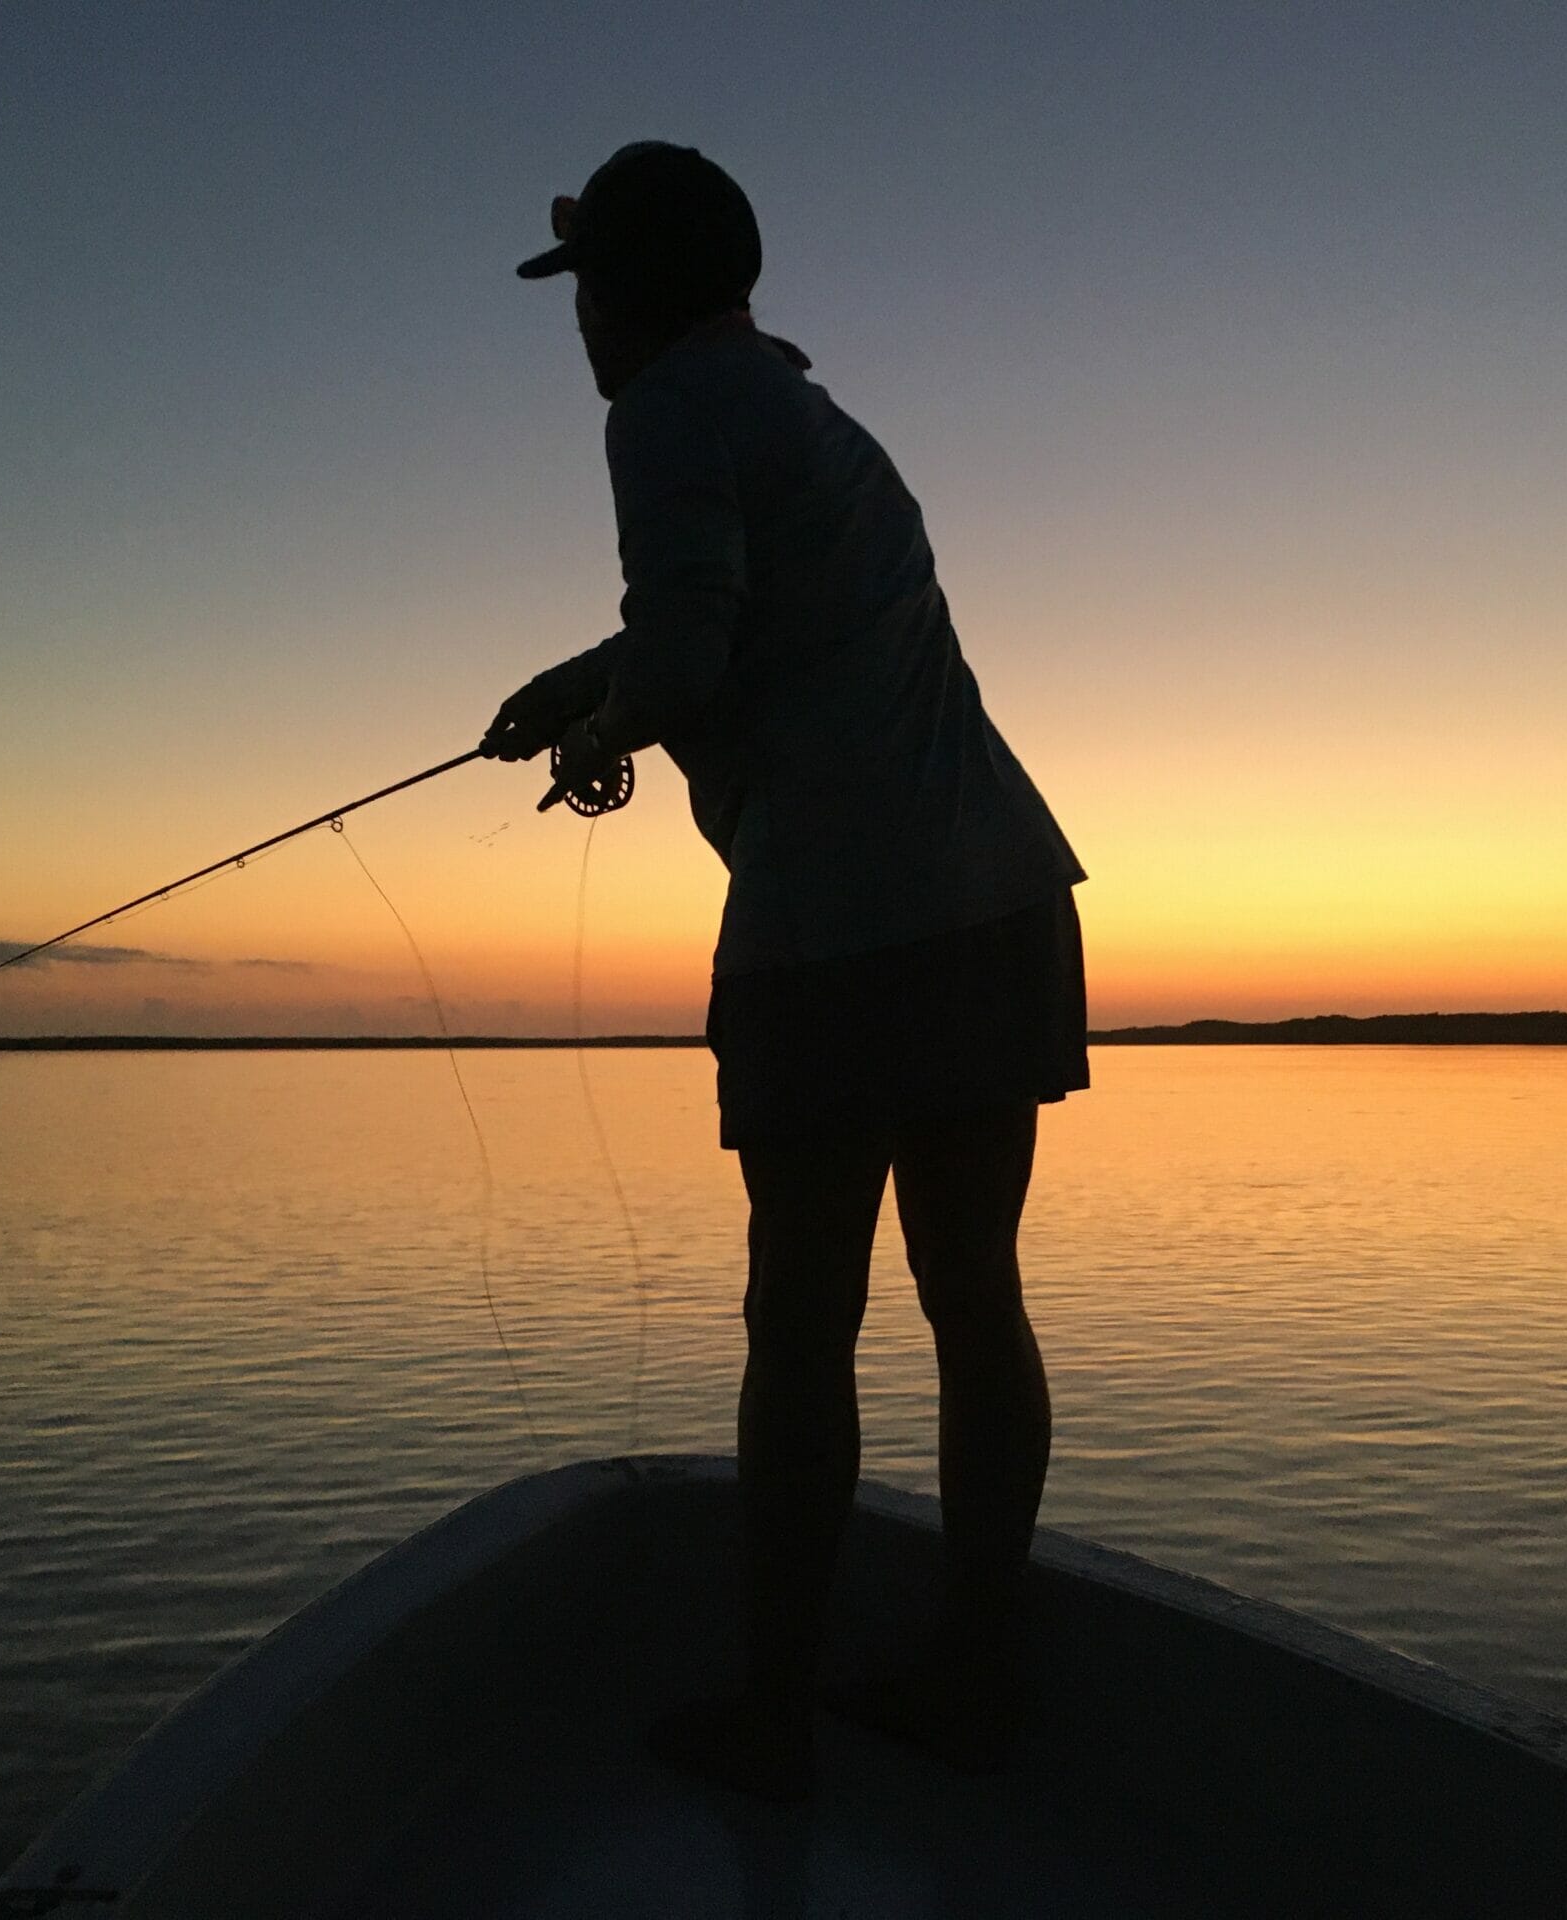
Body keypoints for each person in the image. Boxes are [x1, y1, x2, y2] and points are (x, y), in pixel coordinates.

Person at [483, 141, 1089, 1803]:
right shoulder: (806, 415)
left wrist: (602, 731)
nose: (581, 329)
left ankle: (773, 1717)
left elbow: (691, 645)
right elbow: (742, 618)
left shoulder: (662, 409)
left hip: (840, 933)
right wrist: (574, 683)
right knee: (975, 1296)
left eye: (587, 293)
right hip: (999, 903)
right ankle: (977, 1674)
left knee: (802, 1323)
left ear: (627, 296)